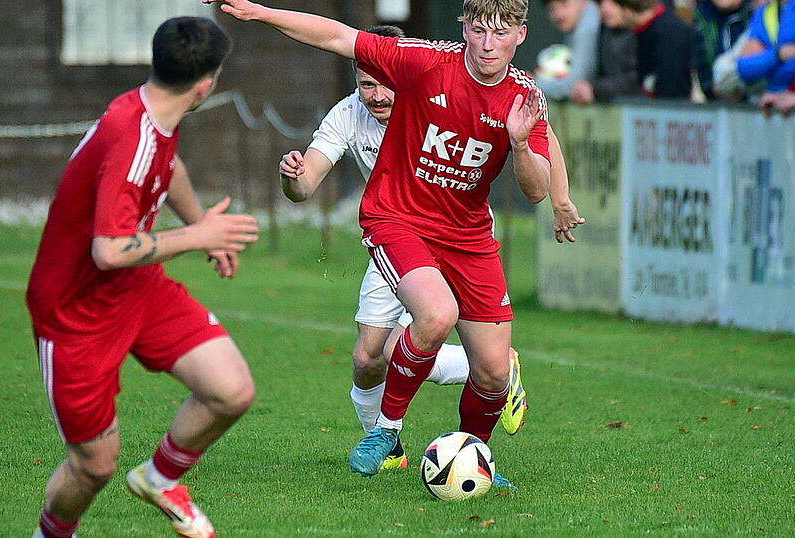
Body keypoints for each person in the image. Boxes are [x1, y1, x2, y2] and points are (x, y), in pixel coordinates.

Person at [207, 0, 554, 485]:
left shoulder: (523, 99)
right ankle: (386, 431)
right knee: (432, 318)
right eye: (478, 30)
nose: (488, 43)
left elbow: (536, 188)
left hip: (469, 234)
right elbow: (335, 35)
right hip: (399, 219)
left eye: (501, 32)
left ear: (521, 34)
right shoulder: (425, 61)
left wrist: (520, 146)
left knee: (494, 374)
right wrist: (259, 11)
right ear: (465, 29)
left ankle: (474, 457)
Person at [278, 24, 585, 470]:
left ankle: (458, 423)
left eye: (384, 84)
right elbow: (305, 185)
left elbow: (542, 134)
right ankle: (390, 447)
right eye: (366, 84)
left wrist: (560, 198)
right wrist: (292, 178)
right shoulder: (349, 114)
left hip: (460, 234)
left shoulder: (427, 83)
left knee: (434, 344)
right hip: (399, 230)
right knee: (369, 356)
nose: (377, 95)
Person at [26, 17, 259, 538]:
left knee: (231, 389)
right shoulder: (129, 136)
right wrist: (198, 238)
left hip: (137, 288)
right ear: (207, 83)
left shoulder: (156, 110)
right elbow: (107, 250)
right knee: (95, 465)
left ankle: (159, 478)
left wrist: (201, 223)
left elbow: (168, 167)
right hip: (75, 312)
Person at [598, 0, 697, 98]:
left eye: (613, 4)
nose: (604, 9)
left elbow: (672, 94)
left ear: (627, 9)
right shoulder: (644, 32)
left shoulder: (670, 34)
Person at [570, 2, 640, 104]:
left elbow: (637, 80)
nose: (605, 9)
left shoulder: (645, 31)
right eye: (600, 3)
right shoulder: (604, 30)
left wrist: (595, 88)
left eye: (614, 2)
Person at [537, 0, 602, 100]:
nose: (558, 14)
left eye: (564, 4)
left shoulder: (588, 25)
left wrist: (531, 84)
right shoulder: (579, 20)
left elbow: (574, 84)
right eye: (552, 9)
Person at [694, 0, 752, 100]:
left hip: (757, 101)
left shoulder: (755, 14)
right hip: (715, 101)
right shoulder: (702, 18)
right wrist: (711, 88)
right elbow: (701, 61)